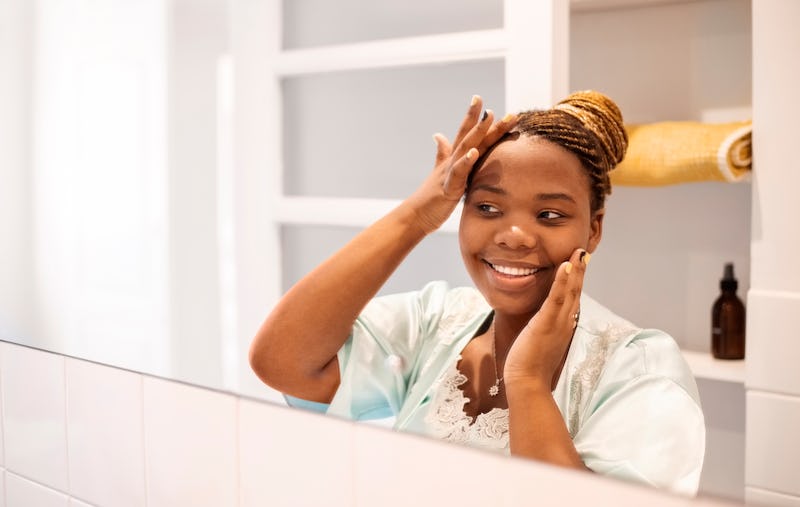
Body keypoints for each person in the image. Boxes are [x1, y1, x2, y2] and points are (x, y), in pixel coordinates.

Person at [249, 91, 705, 496]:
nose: (514, 236)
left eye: (549, 215)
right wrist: (419, 214)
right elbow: (282, 361)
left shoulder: (640, 370)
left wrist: (526, 381)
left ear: (594, 229)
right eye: (487, 207)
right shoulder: (439, 321)